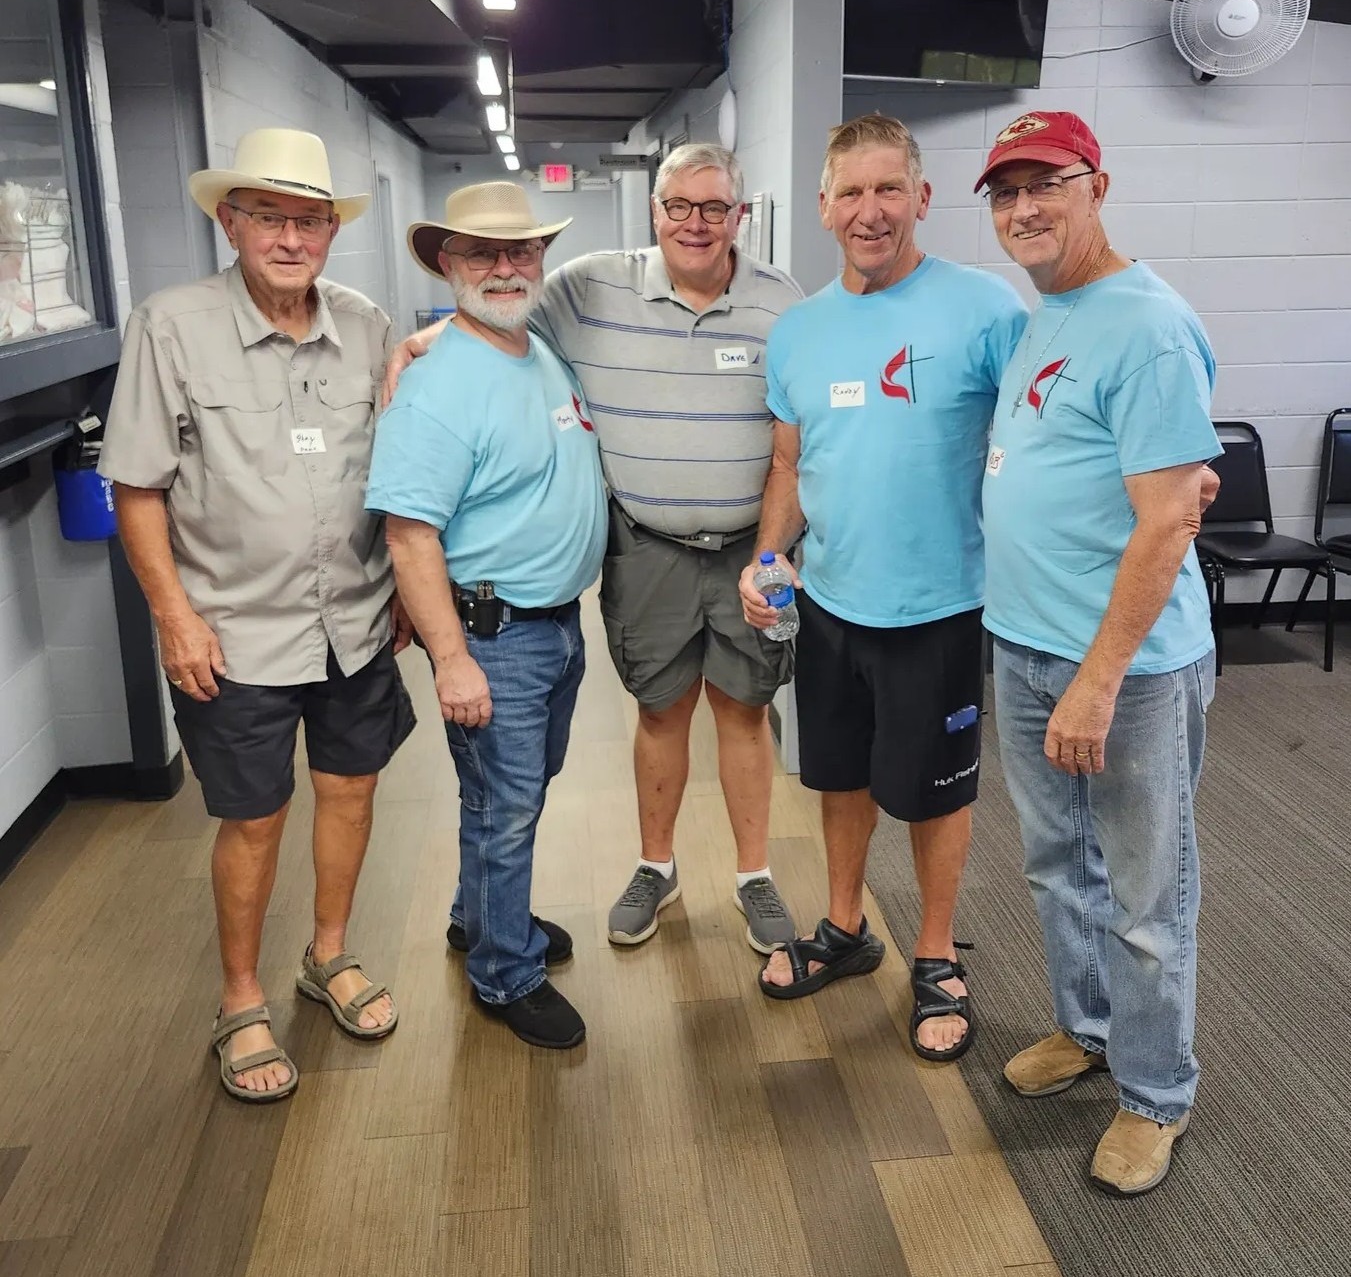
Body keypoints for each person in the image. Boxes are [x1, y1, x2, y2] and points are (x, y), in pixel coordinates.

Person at [386, 144, 803, 957]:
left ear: (739, 216)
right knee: (659, 709)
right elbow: (495, 322)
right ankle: (656, 865)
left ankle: (753, 875)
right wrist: (421, 342)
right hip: (646, 548)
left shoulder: (782, 300)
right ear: (654, 211)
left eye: (713, 207)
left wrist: (779, 550)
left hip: (751, 553)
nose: (694, 222)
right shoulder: (586, 286)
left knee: (745, 712)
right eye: (678, 205)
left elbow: (798, 436)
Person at [99, 127, 415, 1103]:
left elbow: (400, 462)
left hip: (355, 619)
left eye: (309, 219)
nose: (290, 236)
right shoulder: (171, 325)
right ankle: (240, 996)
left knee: (352, 792)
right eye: (268, 215)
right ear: (227, 221)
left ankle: (326, 955)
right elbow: (136, 487)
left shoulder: (363, 323)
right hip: (234, 631)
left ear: (331, 232)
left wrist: (406, 583)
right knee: (253, 815)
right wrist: (174, 617)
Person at [741, 114, 1027, 1063]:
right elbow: (790, 462)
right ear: (823, 207)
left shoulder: (986, 311)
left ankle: (937, 955)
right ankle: (843, 927)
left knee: (936, 792)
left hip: (940, 607)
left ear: (921, 198)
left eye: (888, 189)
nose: (871, 211)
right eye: (851, 193)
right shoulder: (800, 332)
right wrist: (768, 557)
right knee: (840, 772)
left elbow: (1049, 430)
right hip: (828, 603)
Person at [973, 110, 1220, 1195]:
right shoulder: (1051, 310)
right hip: (1023, 642)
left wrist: (1097, 675)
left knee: (1145, 889)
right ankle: (1086, 1028)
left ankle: (1154, 1091)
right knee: (1054, 863)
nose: (1023, 208)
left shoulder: (1147, 324)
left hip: (1123, 669)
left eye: (1046, 184)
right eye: (1005, 191)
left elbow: (1168, 519)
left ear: (1097, 185)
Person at [366, 183, 607, 1049]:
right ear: (445, 263)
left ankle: (481, 916)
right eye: (480, 253)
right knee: (507, 806)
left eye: (520, 251)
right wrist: (451, 658)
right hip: (493, 635)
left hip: (553, 625)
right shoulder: (436, 389)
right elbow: (408, 536)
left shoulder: (532, 345)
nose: (505, 267)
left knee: (507, 794)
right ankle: (505, 974)